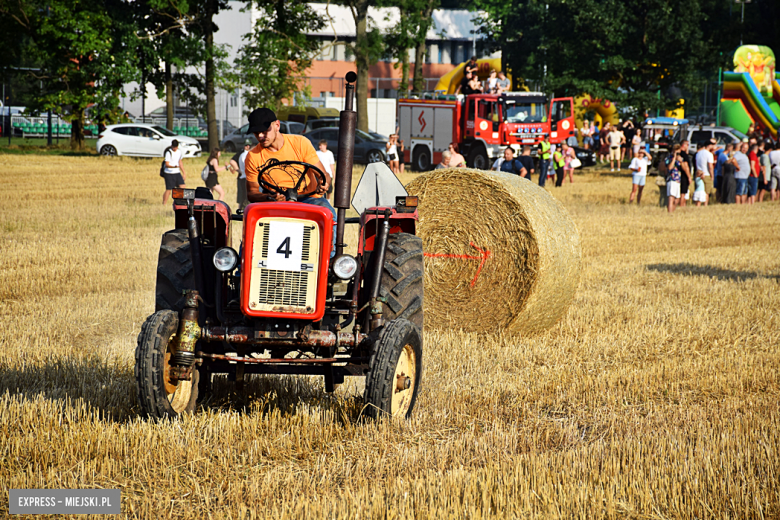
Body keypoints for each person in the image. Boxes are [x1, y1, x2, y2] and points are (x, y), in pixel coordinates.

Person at [243, 107, 331, 208]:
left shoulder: (300, 143)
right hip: (275, 202)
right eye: (256, 133)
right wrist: (269, 197)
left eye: (265, 131)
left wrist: (324, 183)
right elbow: (252, 193)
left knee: (329, 216)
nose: (260, 136)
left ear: (277, 125)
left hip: (309, 199)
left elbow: (324, 175)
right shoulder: (253, 156)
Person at [228, 139, 251, 210]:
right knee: (246, 198)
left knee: (242, 198)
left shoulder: (241, 154)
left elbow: (232, 161)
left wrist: (240, 171)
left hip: (242, 177)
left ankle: (240, 211)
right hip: (246, 178)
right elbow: (232, 161)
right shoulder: (246, 154)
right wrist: (240, 171)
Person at [162, 139, 187, 205]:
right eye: (174, 147)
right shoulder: (168, 152)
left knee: (182, 186)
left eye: (176, 147)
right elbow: (167, 164)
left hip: (177, 172)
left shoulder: (179, 152)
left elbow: (180, 162)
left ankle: (178, 202)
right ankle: (164, 203)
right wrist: (174, 167)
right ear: (171, 146)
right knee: (169, 189)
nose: (175, 148)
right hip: (169, 173)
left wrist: (183, 172)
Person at [694, 139, 715, 205]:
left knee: (699, 190)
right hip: (706, 174)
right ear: (709, 145)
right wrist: (712, 176)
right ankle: (705, 204)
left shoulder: (698, 153)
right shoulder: (709, 154)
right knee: (706, 192)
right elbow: (710, 166)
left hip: (698, 173)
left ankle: (698, 204)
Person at [665, 144, 684, 213]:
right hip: (671, 179)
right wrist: (674, 158)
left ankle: (672, 211)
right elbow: (669, 168)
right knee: (671, 198)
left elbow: (684, 168)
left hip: (678, 180)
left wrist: (681, 161)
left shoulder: (680, 159)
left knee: (677, 199)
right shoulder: (668, 158)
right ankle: (670, 213)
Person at [678, 140, 693, 207]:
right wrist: (689, 177)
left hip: (679, 176)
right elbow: (685, 166)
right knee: (683, 193)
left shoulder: (678, 153)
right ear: (684, 145)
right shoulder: (683, 154)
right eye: (687, 145)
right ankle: (682, 206)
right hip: (684, 176)